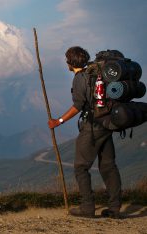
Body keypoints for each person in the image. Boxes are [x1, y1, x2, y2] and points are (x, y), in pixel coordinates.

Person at [48, 46, 122, 218]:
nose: (66, 62)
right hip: (107, 123)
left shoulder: (80, 78)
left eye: (67, 59)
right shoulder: (96, 73)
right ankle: (115, 208)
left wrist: (58, 121)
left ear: (71, 62)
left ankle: (87, 208)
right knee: (108, 166)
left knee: (81, 167)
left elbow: (78, 106)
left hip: (92, 126)